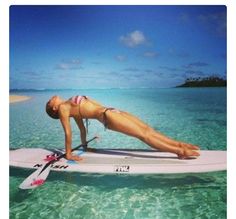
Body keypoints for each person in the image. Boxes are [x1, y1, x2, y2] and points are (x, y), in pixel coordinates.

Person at [46, 95, 200, 161]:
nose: (52, 97)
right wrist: (68, 154)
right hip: (107, 117)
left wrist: (85, 146)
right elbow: (68, 132)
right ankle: (180, 152)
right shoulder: (63, 109)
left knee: (148, 130)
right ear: (54, 108)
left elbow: (82, 130)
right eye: (50, 101)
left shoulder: (70, 107)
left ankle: (179, 144)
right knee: (144, 135)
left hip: (111, 111)